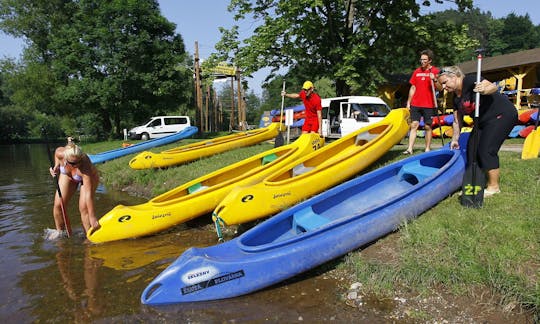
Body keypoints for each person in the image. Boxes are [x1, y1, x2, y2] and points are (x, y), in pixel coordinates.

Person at [437, 65, 518, 197]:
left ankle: (493, 187)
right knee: (472, 149)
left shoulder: (469, 81)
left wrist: (484, 90)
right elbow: (457, 120)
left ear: (455, 77)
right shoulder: (456, 98)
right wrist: (455, 139)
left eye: (445, 83)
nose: (444, 87)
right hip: (482, 121)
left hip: (501, 114)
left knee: (486, 149)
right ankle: (474, 184)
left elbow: (492, 87)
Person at [49, 137, 101, 237]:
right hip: (68, 176)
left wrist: (92, 217)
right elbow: (56, 153)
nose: (77, 165)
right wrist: (56, 167)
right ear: (65, 159)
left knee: (84, 207)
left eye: (79, 161)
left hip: (89, 178)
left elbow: (88, 194)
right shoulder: (61, 153)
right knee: (59, 205)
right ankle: (61, 233)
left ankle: (89, 235)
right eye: (73, 163)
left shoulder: (85, 164)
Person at [404, 49, 440, 154]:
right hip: (416, 104)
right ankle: (410, 149)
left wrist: (435, 80)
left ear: (430, 61)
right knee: (414, 125)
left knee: (427, 126)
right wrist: (408, 102)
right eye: (421, 59)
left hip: (429, 104)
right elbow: (413, 88)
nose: (422, 61)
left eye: (425, 60)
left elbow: (440, 88)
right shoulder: (417, 71)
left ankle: (427, 148)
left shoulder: (435, 71)